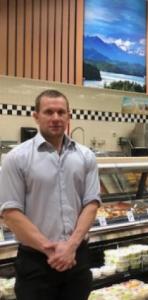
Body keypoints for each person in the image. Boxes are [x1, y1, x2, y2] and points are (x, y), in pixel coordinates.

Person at [0, 89, 101, 300]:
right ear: (36, 116)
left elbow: (91, 204)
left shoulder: (86, 156)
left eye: (61, 112)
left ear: (68, 115)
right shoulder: (16, 158)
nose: (56, 118)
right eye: (48, 112)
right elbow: (10, 212)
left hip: (77, 258)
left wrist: (71, 246)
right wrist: (51, 251)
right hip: (36, 263)